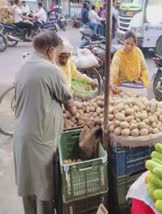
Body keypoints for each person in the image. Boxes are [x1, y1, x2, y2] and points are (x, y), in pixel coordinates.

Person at [14, 31, 75, 214]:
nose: (57, 57)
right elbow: (69, 102)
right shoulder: (50, 69)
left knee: (29, 188)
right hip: (41, 139)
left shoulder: (23, 65)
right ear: (50, 51)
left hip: (22, 136)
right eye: (56, 53)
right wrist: (74, 112)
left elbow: (39, 99)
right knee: (44, 190)